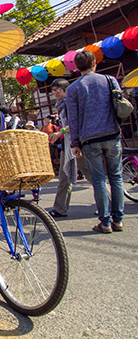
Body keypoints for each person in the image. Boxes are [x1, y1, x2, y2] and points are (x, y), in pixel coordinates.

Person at [66, 49, 124, 233]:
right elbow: (119, 102)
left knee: (99, 180)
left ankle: (105, 222)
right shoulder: (109, 80)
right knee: (116, 177)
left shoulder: (73, 88)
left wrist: (75, 143)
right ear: (94, 63)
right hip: (112, 133)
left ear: (76, 67)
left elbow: (73, 119)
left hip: (89, 139)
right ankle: (118, 220)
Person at [47, 78, 92, 218]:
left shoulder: (70, 103)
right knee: (64, 175)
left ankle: (108, 204)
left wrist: (60, 132)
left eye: (57, 90)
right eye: (53, 90)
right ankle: (60, 208)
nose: (55, 93)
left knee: (92, 175)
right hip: (69, 144)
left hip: (78, 143)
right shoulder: (61, 104)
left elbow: (74, 123)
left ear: (65, 90)